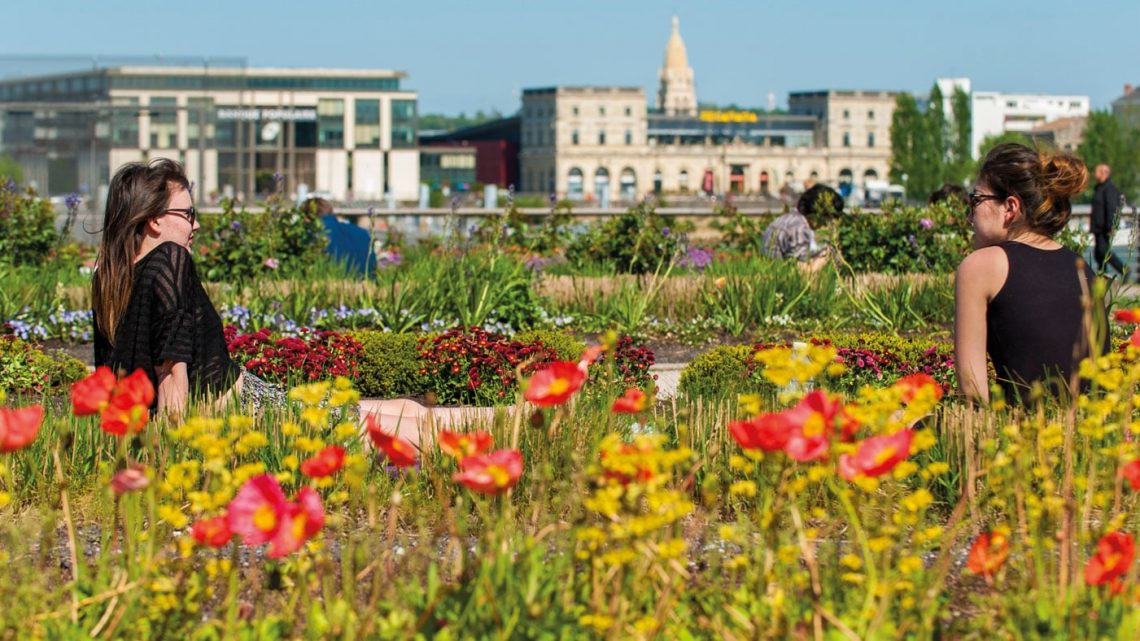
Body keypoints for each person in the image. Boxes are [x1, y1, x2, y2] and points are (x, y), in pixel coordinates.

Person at [92, 159, 280, 416]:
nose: (196, 225)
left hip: (140, 425)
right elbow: (171, 371)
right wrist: (172, 448)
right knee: (350, 419)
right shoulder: (170, 259)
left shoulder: (107, 273)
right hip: (246, 412)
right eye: (188, 215)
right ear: (155, 220)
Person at [954, 143, 1104, 406]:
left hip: (1023, 437)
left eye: (976, 200)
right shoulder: (1082, 268)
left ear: (1010, 207)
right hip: (1092, 436)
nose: (969, 216)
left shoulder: (981, 266)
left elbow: (973, 393)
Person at [761, 183, 842, 269]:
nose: (828, 223)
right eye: (829, 218)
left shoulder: (790, 218)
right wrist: (827, 255)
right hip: (779, 277)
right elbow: (803, 274)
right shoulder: (798, 227)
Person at [308, 197, 375, 277]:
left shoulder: (313, 233)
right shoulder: (362, 232)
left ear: (307, 217)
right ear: (331, 212)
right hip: (366, 285)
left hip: (330, 285)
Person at [1090, 163, 1126, 277]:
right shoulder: (1099, 188)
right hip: (1098, 227)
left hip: (1105, 227)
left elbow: (1112, 208)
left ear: (1104, 173)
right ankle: (1102, 278)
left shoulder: (1109, 188)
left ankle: (1124, 270)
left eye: (1097, 171)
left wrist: (1111, 226)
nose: (1095, 174)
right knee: (1098, 254)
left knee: (1103, 252)